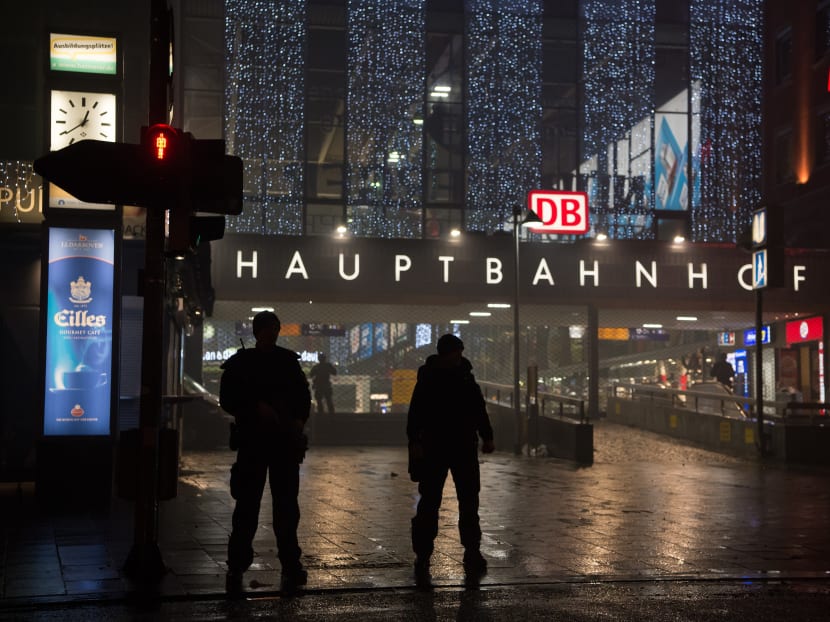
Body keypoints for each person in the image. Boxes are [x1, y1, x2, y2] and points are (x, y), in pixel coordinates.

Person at [219, 311, 311, 596]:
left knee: (282, 507)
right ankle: (241, 562)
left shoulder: (269, 362)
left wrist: (296, 421)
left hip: (274, 441)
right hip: (259, 442)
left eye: (276, 329)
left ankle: (283, 564)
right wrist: (257, 408)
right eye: (269, 329)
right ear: (258, 331)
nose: (273, 333)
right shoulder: (256, 363)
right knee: (251, 505)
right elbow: (229, 400)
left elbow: (302, 398)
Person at [407, 333, 495, 587]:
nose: (460, 355)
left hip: (449, 446)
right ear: (447, 353)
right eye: (456, 351)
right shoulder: (449, 378)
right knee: (444, 500)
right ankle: (429, 552)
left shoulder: (457, 376)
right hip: (448, 446)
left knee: (460, 500)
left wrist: (487, 435)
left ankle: (454, 551)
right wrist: (414, 442)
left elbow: (478, 408)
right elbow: (417, 415)